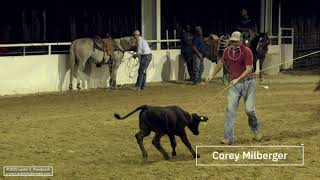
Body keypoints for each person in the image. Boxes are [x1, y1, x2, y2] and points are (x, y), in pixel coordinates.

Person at [206, 31, 262, 145]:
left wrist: (238, 78)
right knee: (230, 110)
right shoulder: (227, 51)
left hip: (248, 83)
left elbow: (249, 69)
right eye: (232, 41)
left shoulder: (247, 51)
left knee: (249, 110)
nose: (234, 43)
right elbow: (221, 63)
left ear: (241, 41)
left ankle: (256, 130)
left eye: (236, 41)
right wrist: (212, 75)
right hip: (234, 85)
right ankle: (228, 138)